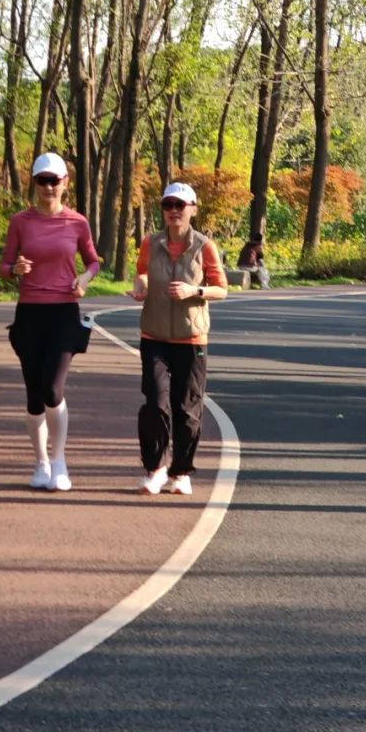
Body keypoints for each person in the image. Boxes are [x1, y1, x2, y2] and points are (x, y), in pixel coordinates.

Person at [0, 151, 100, 491]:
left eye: (54, 181)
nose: (48, 187)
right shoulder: (20, 221)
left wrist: (83, 280)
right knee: (33, 394)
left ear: (65, 184)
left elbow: (93, 263)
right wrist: (15, 270)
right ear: (34, 183)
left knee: (53, 389)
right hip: (29, 312)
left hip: (63, 312)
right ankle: (40, 462)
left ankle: (60, 461)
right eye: (42, 180)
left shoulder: (77, 222)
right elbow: (4, 267)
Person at [130, 181, 228, 496]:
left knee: (187, 409)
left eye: (180, 205)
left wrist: (194, 291)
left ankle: (181, 472)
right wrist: (141, 286)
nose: (174, 211)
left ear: (192, 209)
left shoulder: (204, 246)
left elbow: (222, 288)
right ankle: (156, 468)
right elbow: (142, 272)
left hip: (191, 338)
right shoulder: (151, 242)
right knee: (155, 403)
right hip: (154, 335)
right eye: (168, 205)